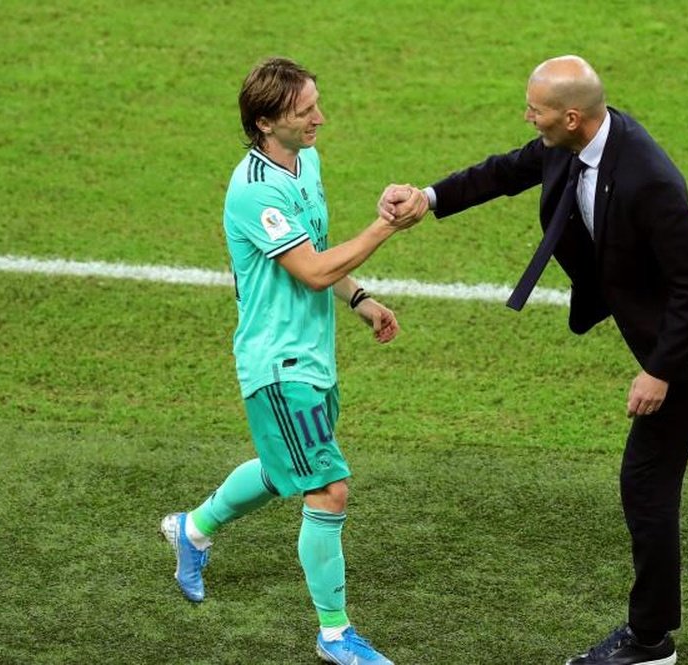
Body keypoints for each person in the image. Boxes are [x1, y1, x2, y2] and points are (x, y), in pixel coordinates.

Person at [380, 55, 688, 665]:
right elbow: (507, 170)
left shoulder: (649, 179)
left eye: (535, 110)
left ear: (571, 116)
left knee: (646, 480)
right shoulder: (570, 143)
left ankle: (650, 639)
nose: (527, 118)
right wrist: (427, 198)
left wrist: (661, 371)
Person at [160, 57, 423, 665]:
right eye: (305, 112)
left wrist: (359, 299)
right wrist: (386, 226)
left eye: (316, 104)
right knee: (328, 489)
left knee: (287, 472)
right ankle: (334, 635)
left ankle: (192, 530)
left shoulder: (305, 161)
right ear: (264, 122)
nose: (319, 119)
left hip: (312, 356)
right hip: (278, 365)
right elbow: (310, 271)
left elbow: (319, 251)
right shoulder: (256, 190)